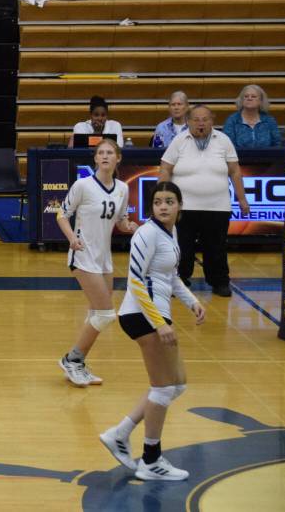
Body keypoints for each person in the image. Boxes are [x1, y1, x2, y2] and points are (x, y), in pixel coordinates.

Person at [99, 181, 206, 481]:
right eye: (158, 202)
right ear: (151, 208)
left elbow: (170, 278)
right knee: (163, 388)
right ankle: (150, 460)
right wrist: (159, 322)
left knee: (177, 384)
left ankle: (120, 433)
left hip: (157, 315)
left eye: (169, 201)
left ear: (179, 206)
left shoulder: (170, 235)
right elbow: (135, 281)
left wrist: (192, 301)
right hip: (142, 316)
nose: (163, 206)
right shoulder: (146, 234)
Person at [55, 139, 138, 386]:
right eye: (100, 152)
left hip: (104, 258)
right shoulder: (83, 185)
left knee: (96, 314)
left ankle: (78, 363)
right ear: (95, 159)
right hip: (82, 255)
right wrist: (72, 239)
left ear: (118, 158)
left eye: (109, 152)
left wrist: (130, 227)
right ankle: (72, 359)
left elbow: (121, 221)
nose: (104, 156)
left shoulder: (123, 188)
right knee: (106, 314)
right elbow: (62, 214)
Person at [159, 105, 250, 298]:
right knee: (182, 247)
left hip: (217, 206)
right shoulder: (179, 140)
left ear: (212, 121)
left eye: (205, 119)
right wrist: (162, 198)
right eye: (196, 119)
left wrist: (242, 199)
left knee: (216, 247)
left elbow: (234, 171)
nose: (201, 123)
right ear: (189, 122)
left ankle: (220, 282)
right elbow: (165, 169)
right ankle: (180, 281)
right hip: (184, 208)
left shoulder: (223, 140)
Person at [222, 84, 283, 148]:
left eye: (253, 96)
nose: (249, 98)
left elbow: (277, 144)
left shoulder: (269, 120)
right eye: (246, 96)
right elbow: (228, 146)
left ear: (261, 101)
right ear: (241, 100)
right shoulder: (232, 120)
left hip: (267, 157)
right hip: (238, 157)